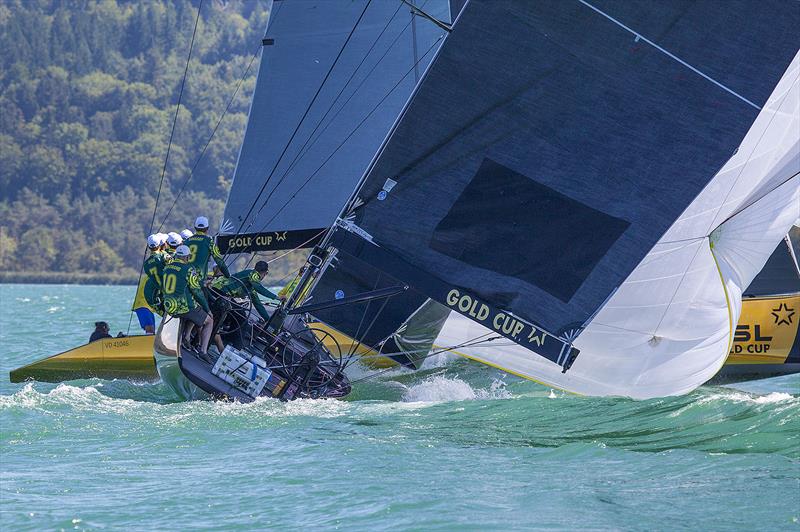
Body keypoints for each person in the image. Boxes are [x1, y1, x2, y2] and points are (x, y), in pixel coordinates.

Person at [162, 244, 214, 356]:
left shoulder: (167, 268)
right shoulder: (189, 269)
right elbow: (197, 292)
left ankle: (180, 341)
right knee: (209, 321)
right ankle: (203, 351)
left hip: (169, 306)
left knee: (187, 314)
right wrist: (207, 309)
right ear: (187, 257)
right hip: (183, 308)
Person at [211, 261, 279, 322]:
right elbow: (259, 288)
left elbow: (257, 304)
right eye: (265, 274)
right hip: (220, 292)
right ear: (265, 273)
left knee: (237, 314)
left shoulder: (251, 286)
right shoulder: (253, 274)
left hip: (219, 291)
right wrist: (276, 297)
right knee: (241, 317)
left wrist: (268, 320)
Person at [131, 234, 165, 334]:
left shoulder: (149, 264)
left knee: (152, 330)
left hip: (150, 304)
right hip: (143, 304)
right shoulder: (162, 259)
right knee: (150, 329)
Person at [183, 216, 230, 281]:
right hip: (199, 280)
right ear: (207, 228)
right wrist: (228, 275)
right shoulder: (209, 241)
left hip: (185, 278)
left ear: (195, 227)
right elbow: (219, 261)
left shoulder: (186, 241)